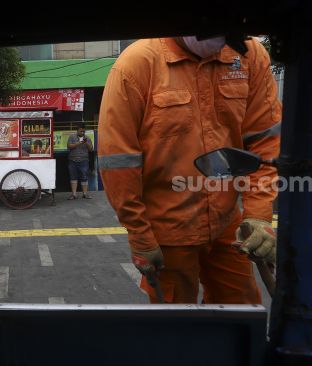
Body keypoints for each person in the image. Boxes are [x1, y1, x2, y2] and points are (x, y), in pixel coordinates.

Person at [98, 36, 281, 304]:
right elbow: (119, 161)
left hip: (228, 223)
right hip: (167, 230)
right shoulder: (138, 64)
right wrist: (139, 234)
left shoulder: (248, 54)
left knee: (241, 311)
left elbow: (264, 142)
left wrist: (259, 215)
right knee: (177, 326)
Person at [67, 124, 93, 199]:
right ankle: (74, 194)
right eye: (81, 131)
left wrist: (86, 143)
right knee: (73, 177)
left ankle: (85, 194)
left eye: (84, 131)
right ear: (77, 131)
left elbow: (91, 149)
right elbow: (69, 146)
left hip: (84, 160)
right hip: (72, 160)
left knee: (84, 176)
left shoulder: (87, 138)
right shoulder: (72, 137)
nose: (82, 133)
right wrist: (78, 143)